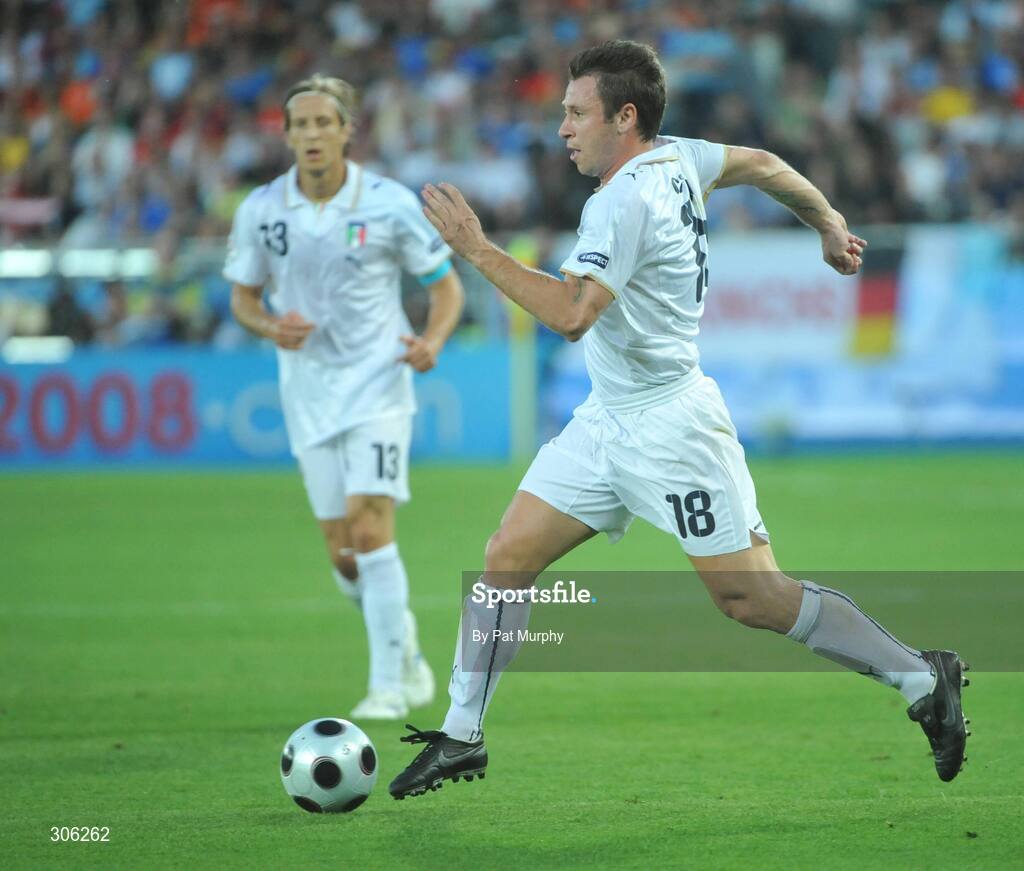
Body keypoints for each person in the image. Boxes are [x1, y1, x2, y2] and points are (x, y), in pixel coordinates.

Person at [388, 41, 969, 798]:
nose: (561, 127)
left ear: (624, 117)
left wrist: (477, 250)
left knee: (751, 598)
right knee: (508, 554)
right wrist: (826, 219)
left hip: (672, 427)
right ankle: (462, 735)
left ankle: (923, 677)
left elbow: (570, 314)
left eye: (575, 112)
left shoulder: (622, 200)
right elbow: (760, 163)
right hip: (608, 419)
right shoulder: (678, 157)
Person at [224, 75, 465, 720]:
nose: (311, 135)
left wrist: (433, 341)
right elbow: (243, 299)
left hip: (380, 385)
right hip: (307, 394)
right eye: (298, 125)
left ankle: (389, 684)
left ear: (346, 130)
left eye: (322, 123)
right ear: (287, 136)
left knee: (370, 525)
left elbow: (445, 289)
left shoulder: (387, 204)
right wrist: (274, 327)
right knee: (343, 553)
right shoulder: (262, 211)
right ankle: (405, 647)